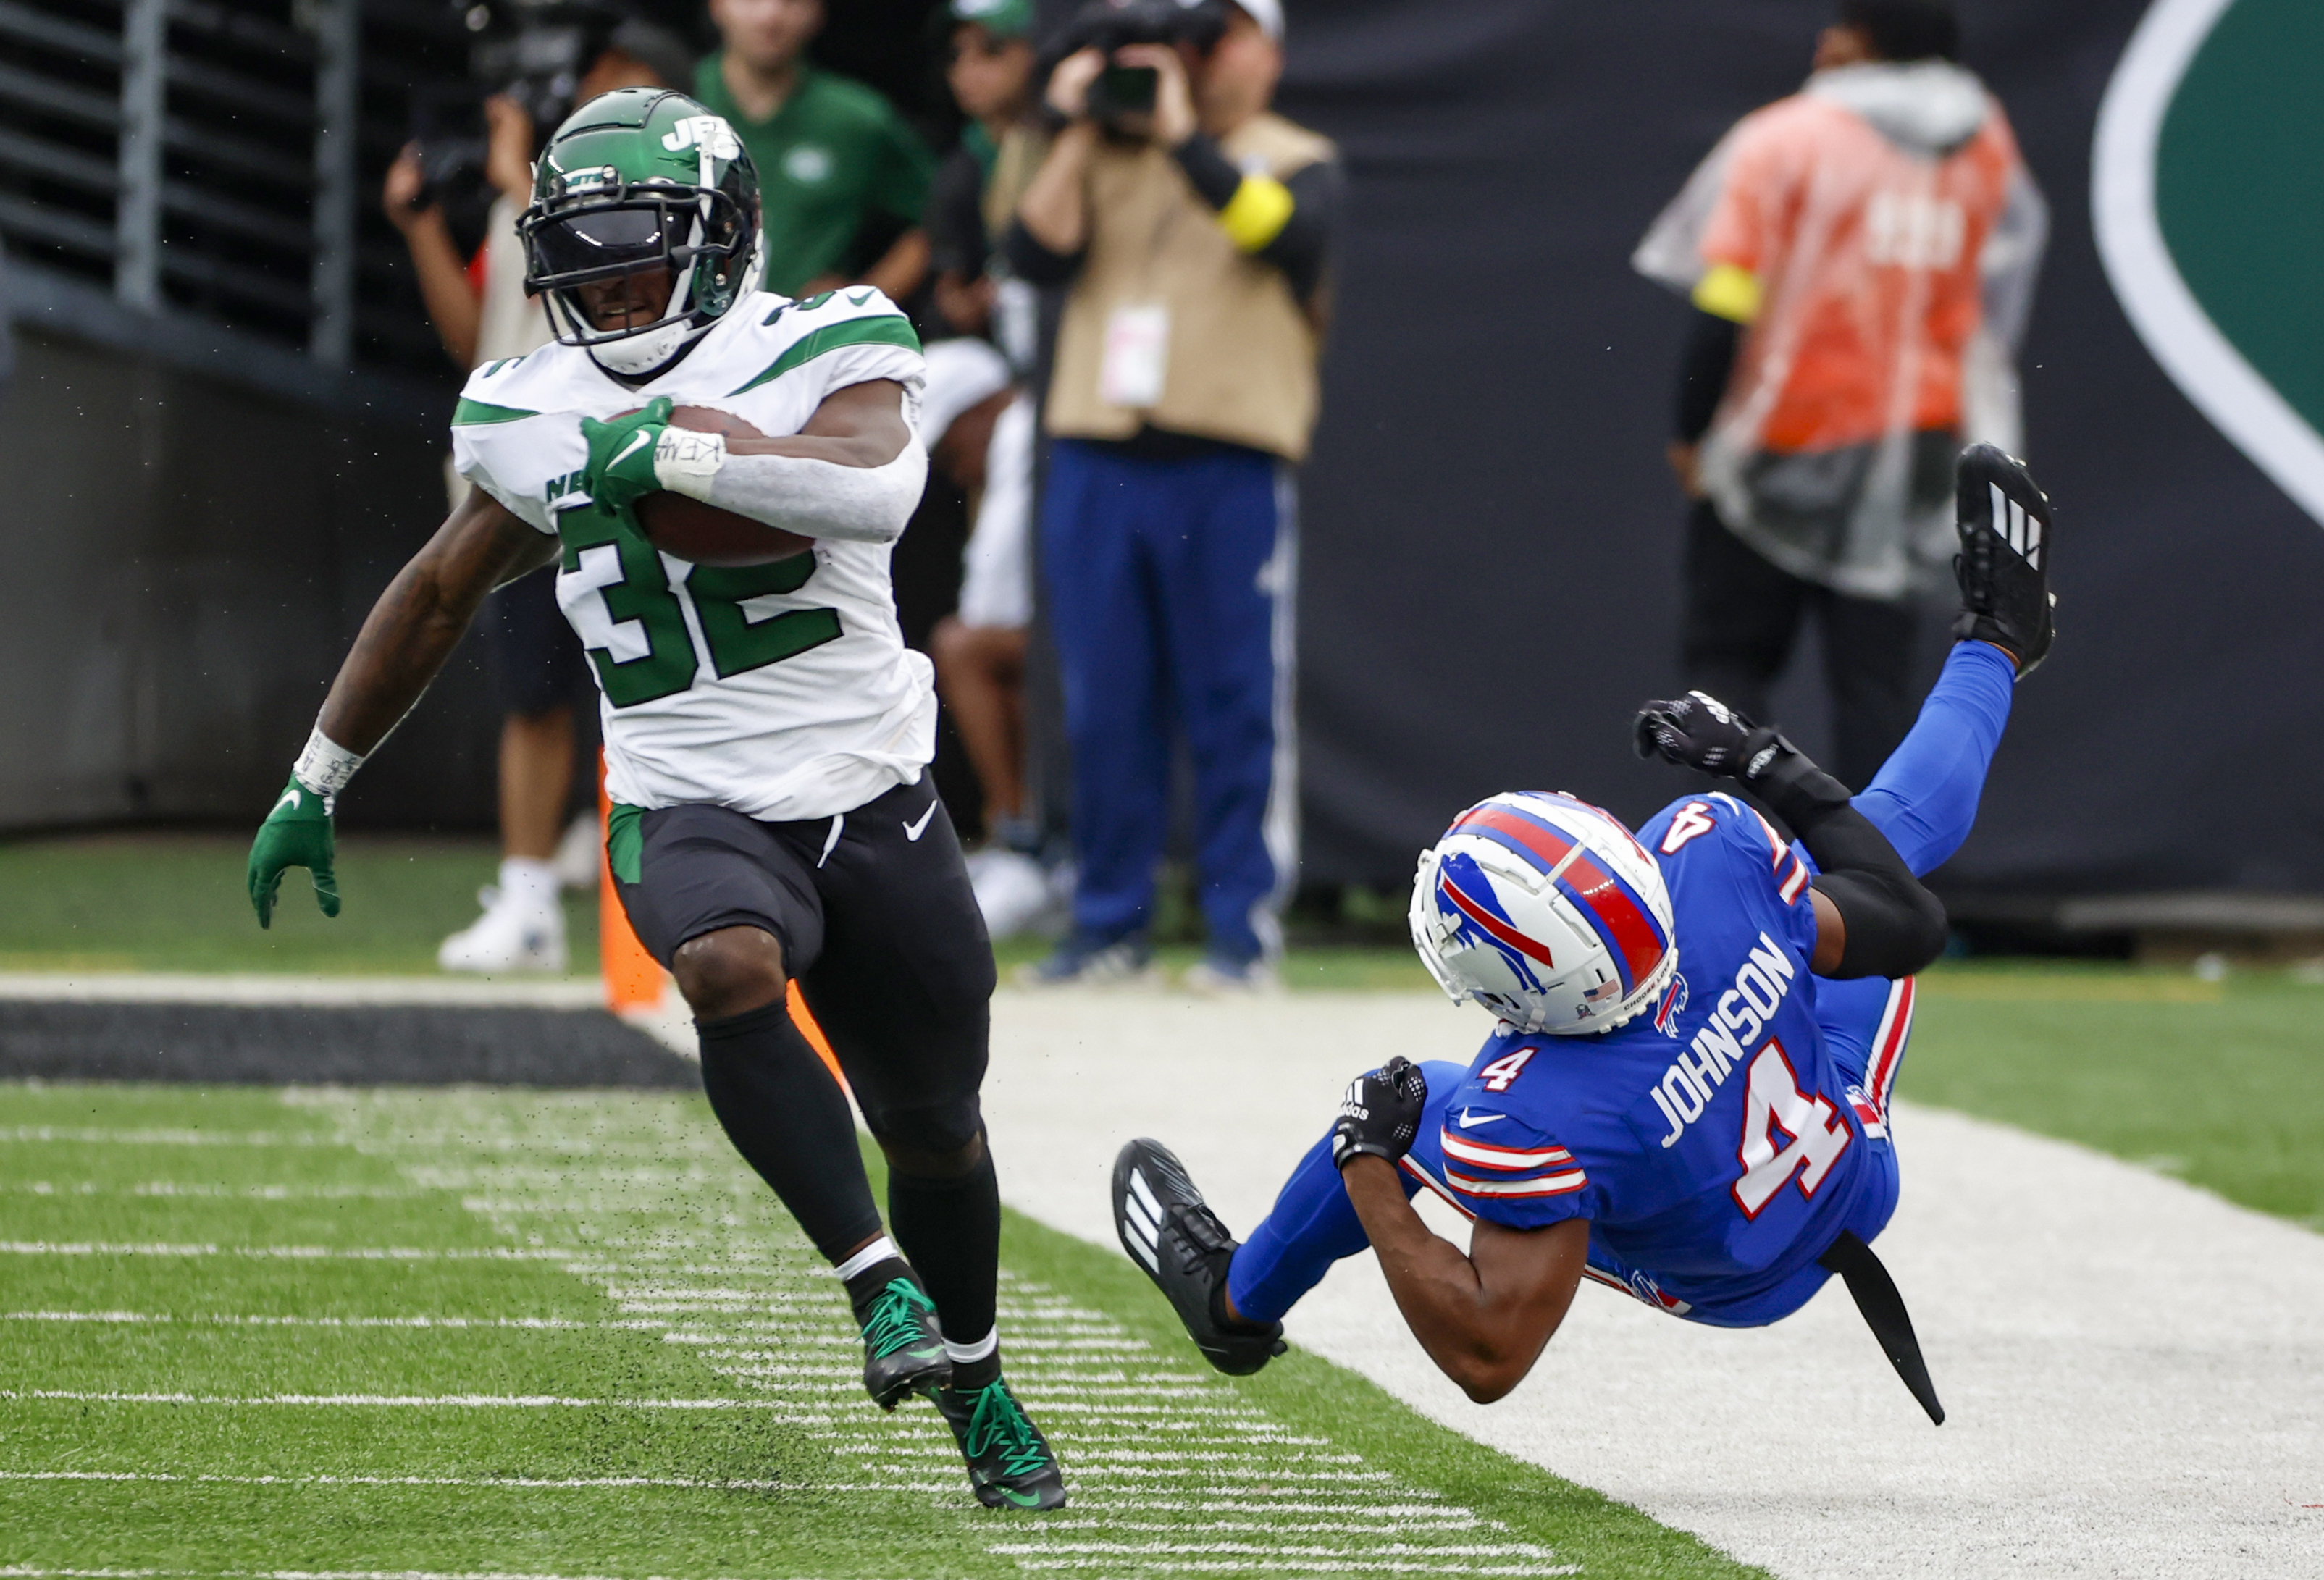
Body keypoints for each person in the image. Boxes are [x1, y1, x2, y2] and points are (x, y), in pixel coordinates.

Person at [245, 88, 1064, 1511]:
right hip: (684, 790)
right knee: (722, 961)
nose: (609, 288)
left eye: (640, 254)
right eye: (585, 258)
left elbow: (873, 485)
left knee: (936, 1124)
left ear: (725, 239)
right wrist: (318, 772)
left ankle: (978, 1374)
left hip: (867, 792)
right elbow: (441, 588)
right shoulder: (524, 407)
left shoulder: (826, 337)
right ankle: (873, 1284)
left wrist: (680, 452)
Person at [1111, 445, 2056, 1416]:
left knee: (1411, 1097)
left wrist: (1366, 1166)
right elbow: (1905, 916)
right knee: (1867, 843)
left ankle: (1234, 1300)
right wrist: (1767, 762)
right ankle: (1994, 640)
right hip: (1849, 1157)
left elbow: (1489, 1356)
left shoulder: (1534, 1111)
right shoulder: (1713, 860)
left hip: (1739, 1275)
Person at [1009, 0, 1343, 990]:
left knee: (1234, 701)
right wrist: (1073, 124)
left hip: (1224, 460)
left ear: (1265, 50)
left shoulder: (1294, 155)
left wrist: (1180, 133)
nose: (1192, 60)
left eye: (1215, 38)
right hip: (1098, 455)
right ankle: (1108, 923)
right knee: (1104, 702)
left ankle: (1241, 931)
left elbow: (1280, 237)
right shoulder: (1099, 149)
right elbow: (1032, 256)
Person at [1634, 0, 2045, 791]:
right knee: (1872, 684)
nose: (1821, 38)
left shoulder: (1788, 138)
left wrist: (1692, 430)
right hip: (1920, 443)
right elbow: (1989, 306)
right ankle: (1877, 890)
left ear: (1861, 39)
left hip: (1784, 438)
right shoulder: (1983, 145)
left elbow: (1724, 303)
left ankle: (1728, 865)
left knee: (1727, 661)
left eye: (1838, 22)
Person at [382, 18, 690, 972]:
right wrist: (422, 223)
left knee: (638, 692)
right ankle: (526, 902)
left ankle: (666, 900)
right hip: (526, 475)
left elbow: (590, 282)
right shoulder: (535, 192)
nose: (601, 94)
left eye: (625, 77)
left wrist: (521, 179)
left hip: (627, 466)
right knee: (531, 694)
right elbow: (480, 326)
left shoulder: (673, 192)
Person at [923, 0, 1056, 936]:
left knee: (980, 639)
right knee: (919, 376)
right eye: (959, 53)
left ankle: (1032, 840)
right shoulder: (969, 164)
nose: (973, 69)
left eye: (994, 49)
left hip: (1079, 398)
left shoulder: (1074, 142)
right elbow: (953, 292)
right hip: (1006, 373)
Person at [694, 0, 936, 302]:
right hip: (685, 332)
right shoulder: (672, 102)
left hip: (810, 338)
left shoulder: (857, 120)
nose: (770, 16)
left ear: (818, 12)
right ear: (717, 6)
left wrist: (860, 302)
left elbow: (939, 217)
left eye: (792, 2)